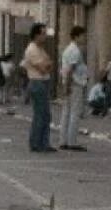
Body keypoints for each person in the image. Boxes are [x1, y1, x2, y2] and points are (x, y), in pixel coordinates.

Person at [23, 23, 54, 152]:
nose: (45, 36)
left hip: (43, 82)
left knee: (45, 115)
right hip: (37, 82)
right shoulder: (32, 49)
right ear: (37, 35)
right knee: (41, 114)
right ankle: (37, 143)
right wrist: (46, 65)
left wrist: (47, 65)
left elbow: (50, 64)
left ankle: (43, 142)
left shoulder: (40, 49)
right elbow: (42, 69)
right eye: (43, 33)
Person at [59, 26, 89, 151]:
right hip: (74, 84)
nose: (84, 38)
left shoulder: (68, 49)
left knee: (66, 113)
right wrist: (67, 87)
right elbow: (70, 70)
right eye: (83, 35)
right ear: (76, 36)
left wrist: (64, 86)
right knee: (74, 113)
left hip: (69, 83)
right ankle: (72, 142)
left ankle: (63, 140)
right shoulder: (75, 51)